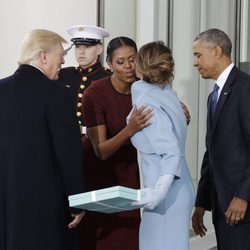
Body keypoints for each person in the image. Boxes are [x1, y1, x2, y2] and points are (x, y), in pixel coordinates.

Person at [0, 29, 85, 250]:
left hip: (7, 203)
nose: (64, 61)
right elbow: (69, 154)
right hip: (46, 207)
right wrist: (77, 203)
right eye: (60, 55)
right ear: (43, 56)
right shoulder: (56, 93)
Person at [80, 36, 153, 250]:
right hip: (98, 175)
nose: (129, 67)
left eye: (133, 60)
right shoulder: (94, 94)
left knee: (129, 238)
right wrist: (130, 129)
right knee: (101, 240)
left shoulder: (144, 89)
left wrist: (180, 111)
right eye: (121, 62)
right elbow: (100, 151)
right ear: (109, 64)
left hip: (128, 171)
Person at [128, 41, 195, 250]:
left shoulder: (148, 101)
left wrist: (158, 192)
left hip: (166, 191)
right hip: (177, 185)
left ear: (139, 67)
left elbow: (171, 151)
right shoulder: (167, 95)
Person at [191, 28, 250, 250]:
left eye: (198, 55)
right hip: (222, 207)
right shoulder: (213, 96)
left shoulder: (245, 88)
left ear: (217, 51)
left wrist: (243, 196)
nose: (195, 62)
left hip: (242, 207)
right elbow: (211, 152)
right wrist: (201, 203)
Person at [59, 24, 112, 135]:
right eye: (78, 46)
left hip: (95, 142)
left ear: (99, 49)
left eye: (87, 47)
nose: (81, 52)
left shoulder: (109, 78)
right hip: (65, 139)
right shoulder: (63, 75)